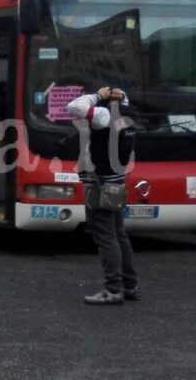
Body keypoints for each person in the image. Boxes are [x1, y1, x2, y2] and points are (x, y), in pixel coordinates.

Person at [67, 86, 139, 305]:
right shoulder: (129, 113)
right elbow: (123, 100)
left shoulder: (103, 115)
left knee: (105, 236)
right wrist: (120, 95)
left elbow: (74, 106)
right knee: (119, 234)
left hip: (101, 182)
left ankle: (112, 289)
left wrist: (98, 95)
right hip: (118, 180)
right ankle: (129, 285)